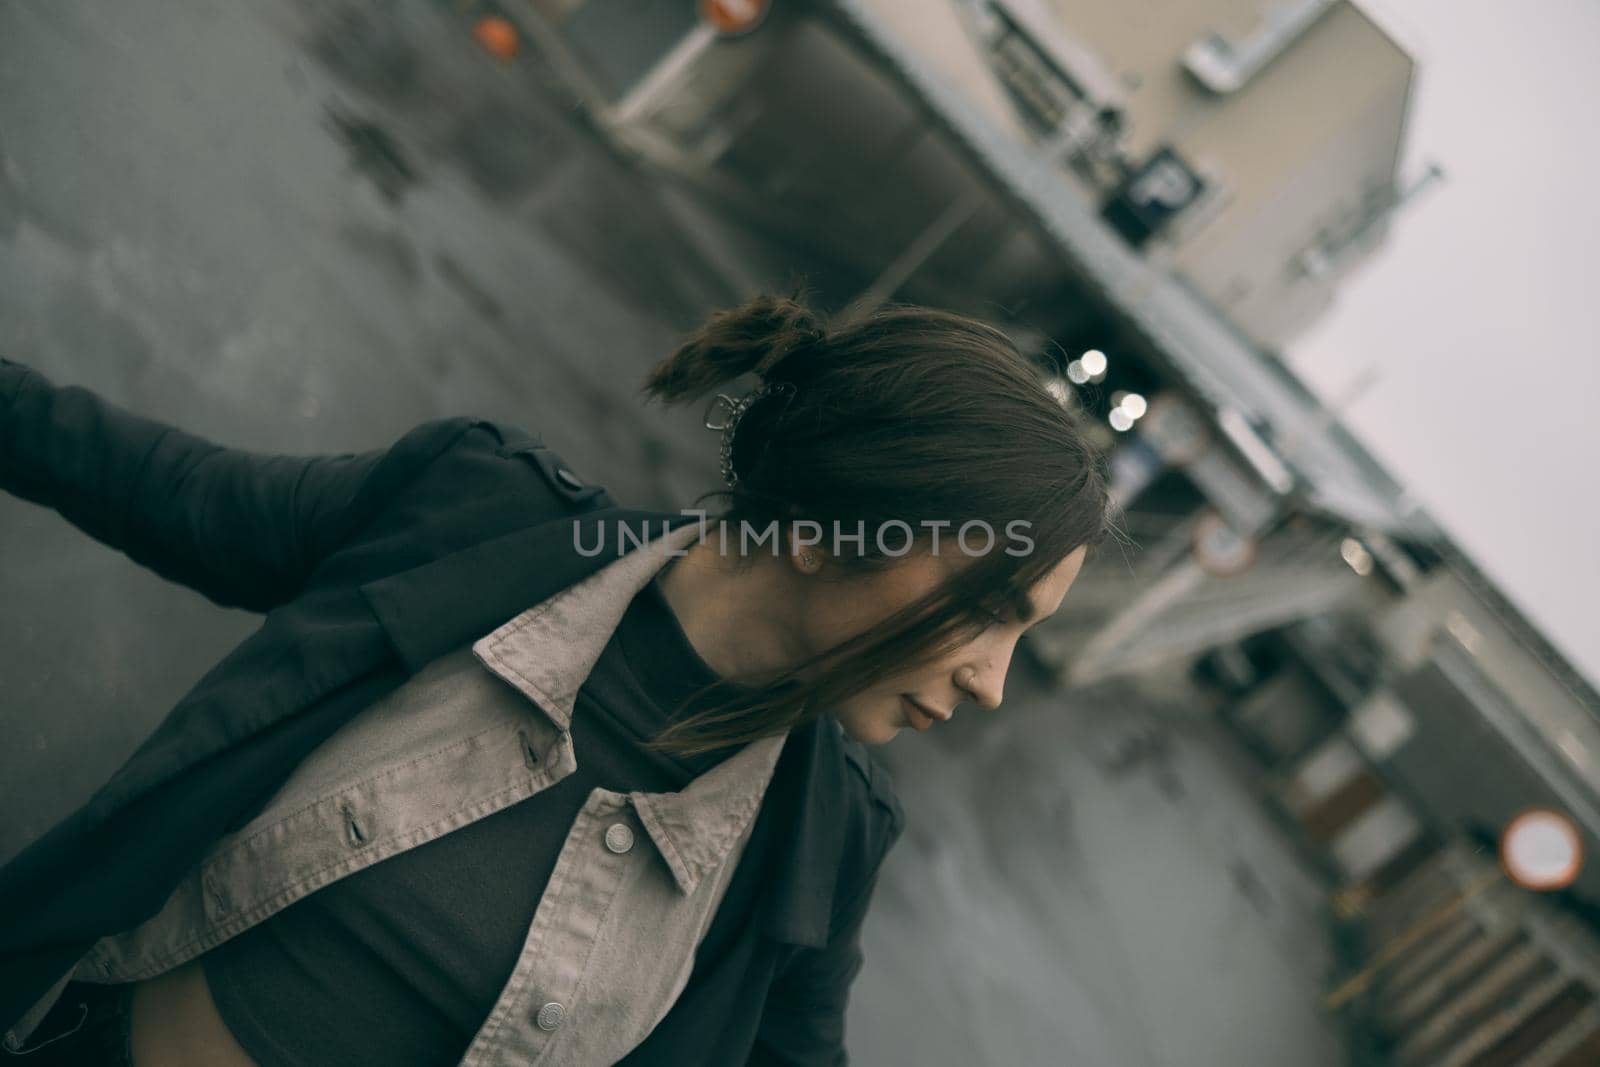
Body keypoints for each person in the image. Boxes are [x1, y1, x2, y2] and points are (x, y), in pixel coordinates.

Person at [0, 292, 1111, 1065]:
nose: (992, 683)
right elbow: (159, 484)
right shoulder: (473, 512)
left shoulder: (824, 838)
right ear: (833, 527)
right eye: (992, 608)